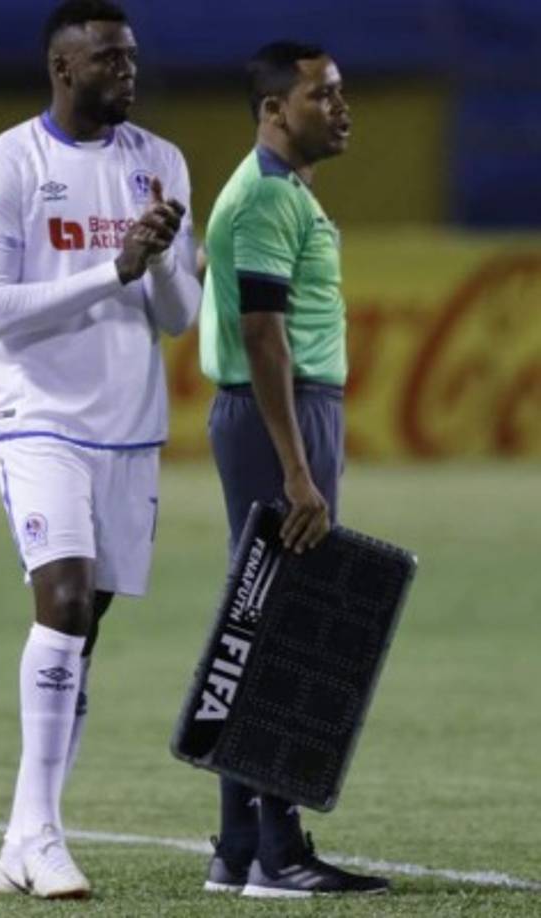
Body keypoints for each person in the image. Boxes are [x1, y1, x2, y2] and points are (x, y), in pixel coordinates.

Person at [0, 0, 201, 900]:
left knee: (84, 629)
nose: (128, 72)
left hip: (130, 426)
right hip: (41, 419)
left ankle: (25, 835)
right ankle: (44, 835)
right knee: (61, 602)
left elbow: (178, 317)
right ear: (64, 69)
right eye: (109, 60)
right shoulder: (5, 165)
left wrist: (166, 258)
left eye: (132, 57)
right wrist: (113, 268)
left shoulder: (161, 162)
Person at [198, 42, 390, 898]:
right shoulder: (266, 198)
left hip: (279, 411)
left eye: (342, 93)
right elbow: (264, 338)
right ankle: (280, 853)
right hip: (283, 411)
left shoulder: (273, 193)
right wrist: (297, 470)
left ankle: (240, 845)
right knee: (284, 621)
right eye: (324, 95)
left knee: (260, 610)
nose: (341, 109)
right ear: (276, 108)